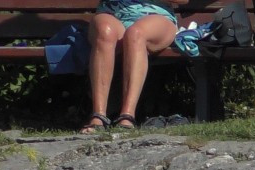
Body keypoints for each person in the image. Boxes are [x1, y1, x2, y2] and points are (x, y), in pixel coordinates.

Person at [79, 0, 188, 133]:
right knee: (105, 32)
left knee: (135, 34)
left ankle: (127, 116)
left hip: (156, 15)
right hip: (112, 13)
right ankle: (98, 115)